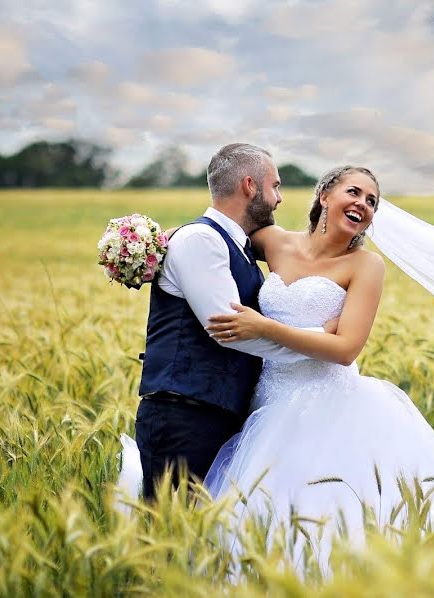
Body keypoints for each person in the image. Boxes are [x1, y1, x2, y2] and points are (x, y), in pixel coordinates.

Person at [194, 165, 434, 565]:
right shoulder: (271, 241)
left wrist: (264, 326)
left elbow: (345, 349)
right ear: (324, 195)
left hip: (330, 404)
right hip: (269, 400)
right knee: (262, 516)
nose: (363, 204)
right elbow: (214, 245)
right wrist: (155, 248)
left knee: (337, 517)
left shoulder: (366, 266)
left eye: (371, 201)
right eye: (354, 192)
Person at [131, 143, 332, 503]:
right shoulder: (201, 240)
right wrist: (319, 342)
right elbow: (232, 331)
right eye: (275, 186)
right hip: (184, 415)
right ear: (250, 186)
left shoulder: (234, 245)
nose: (279, 198)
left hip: (216, 415)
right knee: (170, 537)